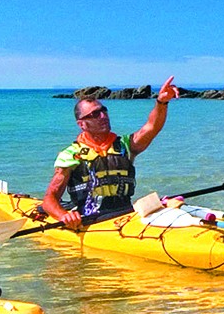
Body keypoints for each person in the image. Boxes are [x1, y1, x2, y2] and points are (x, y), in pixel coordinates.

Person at [41, 76, 181, 230]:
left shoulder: (125, 145)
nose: (103, 116)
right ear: (81, 124)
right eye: (94, 115)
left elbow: (151, 127)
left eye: (103, 111)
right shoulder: (71, 155)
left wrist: (162, 102)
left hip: (126, 216)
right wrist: (63, 216)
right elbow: (49, 199)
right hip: (91, 222)